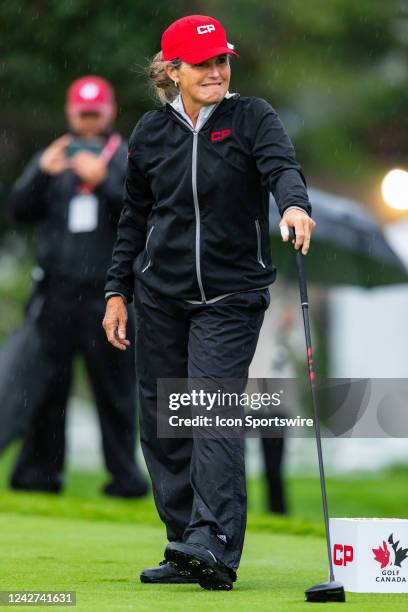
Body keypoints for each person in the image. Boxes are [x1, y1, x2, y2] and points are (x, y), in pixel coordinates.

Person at [103, 15, 316, 590]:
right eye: (203, 63)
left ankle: (216, 543)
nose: (217, 71)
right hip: (161, 297)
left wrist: (293, 206)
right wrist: (117, 290)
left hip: (231, 295)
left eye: (222, 60)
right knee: (163, 423)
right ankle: (185, 542)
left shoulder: (252, 118)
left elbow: (282, 170)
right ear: (172, 71)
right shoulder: (150, 133)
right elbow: (134, 217)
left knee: (208, 412)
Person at [7, 75, 147, 498]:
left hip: (109, 295)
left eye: (95, 112)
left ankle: (124, 478)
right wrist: (41, 176)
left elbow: (141, 215)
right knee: (47, 387)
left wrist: (103, 180)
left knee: (115, 389)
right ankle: (40, 473)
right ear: (70, 111)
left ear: (109, 111)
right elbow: (18, 211)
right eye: (81, 112)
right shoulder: (52, 157)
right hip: (56, 293)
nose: (88, 120)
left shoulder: (125, 157)